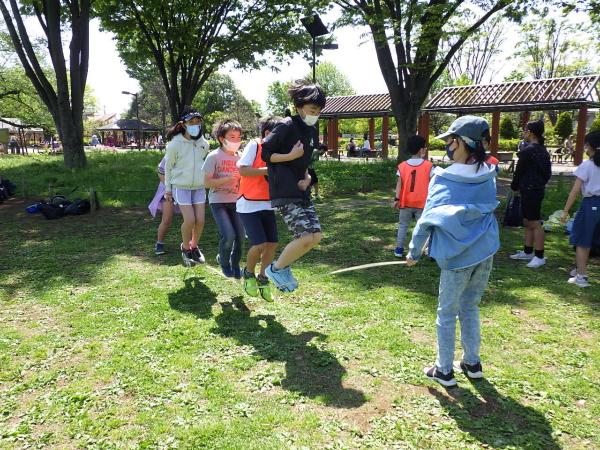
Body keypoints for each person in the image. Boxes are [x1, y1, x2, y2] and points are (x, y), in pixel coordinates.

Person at [406, 115, 499, 387]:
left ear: (459, 142)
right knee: (470, 306)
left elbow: (426, 220)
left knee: (446, 312)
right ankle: (472, 363)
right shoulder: (489, 174)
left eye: (449, 140)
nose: (447, 145)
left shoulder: (443, 178)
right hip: (485, 252)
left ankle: (444, 370)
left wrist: (413, 252)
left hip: (457, 258)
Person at [261, 80, 326, 292]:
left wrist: (307, 179)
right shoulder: (286, 126)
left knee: (315, 236)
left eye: (319, 111)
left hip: (301, 190)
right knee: (305, 236)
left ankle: (283, 267)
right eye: (312, 110)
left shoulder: (312, 129)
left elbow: (305, 162)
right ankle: (276, 269)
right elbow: (266, 154)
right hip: (284, 190)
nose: (315, 114)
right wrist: (290, 155)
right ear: (299, 107)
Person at [236, 117, 282, 300]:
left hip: (268, 203)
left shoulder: (281, 151)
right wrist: (266, 170)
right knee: (259, 244)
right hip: (248, 204)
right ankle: (248, 273)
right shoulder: (254, 145)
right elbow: (243, 170)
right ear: (267, 133)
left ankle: (263, 277)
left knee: (272, 244)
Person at [164, 106, 210, 266]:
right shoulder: (174, 144)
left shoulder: (204, 144)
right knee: (189, 220)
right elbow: (168, 168)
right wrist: (168, 190)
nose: (195, 125)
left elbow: (204, 164)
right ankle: (185, 248)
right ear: (183, 124)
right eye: (191, 122)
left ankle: (194, 247)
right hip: (180, 187)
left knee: (200, 221)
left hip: (199, 187)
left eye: (198, 122)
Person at [203, 119, 244, 278]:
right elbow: (207, 183)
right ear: (221, 138)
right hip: (218, 202)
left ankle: (235, 264)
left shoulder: (241, 157)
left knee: (240, 236)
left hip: (237, 202)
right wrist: (228, 179)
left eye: (239, 137)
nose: (236, 141)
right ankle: (224, 261)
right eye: (232, 137)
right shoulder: (213, 156)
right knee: (228, 235)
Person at [509, 119, 552, 268]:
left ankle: (539, 255)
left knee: (534, 222)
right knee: (527, 221)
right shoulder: (543, 151)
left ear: (531, 133)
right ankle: (528, 251)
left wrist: (514, 186)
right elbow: (547, 174)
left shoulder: (528, 151)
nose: (524, 133)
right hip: (533, 189)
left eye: (525, 130)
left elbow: (518, 171)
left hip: (531, 190)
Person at [560, 131, 600, 288]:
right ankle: (579, 269)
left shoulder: (587, 165)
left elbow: (575, 191)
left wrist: (565, 210)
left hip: (591, 204)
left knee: (582, 240)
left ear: (589, 146)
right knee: (592, 238)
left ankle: (581, 276)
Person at [392, 135, 433, 258]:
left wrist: (397, 199)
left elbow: (399, 184)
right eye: (424, 147)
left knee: (403, 226)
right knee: (424, 227)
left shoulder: (402, 166)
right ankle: (425, 250)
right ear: (421, 149)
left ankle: (399, 249)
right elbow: (433, 183)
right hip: (422, 203)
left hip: (405, 202)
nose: (425, 149)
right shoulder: (429, 166)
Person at [148, 155, 184, 255]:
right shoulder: (170, 155)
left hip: (185, 191)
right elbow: (161, 173)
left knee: (190, 218)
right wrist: (170, 187)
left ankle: (191, 245)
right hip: (168, 192)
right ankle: (159, 243)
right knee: (167, 219)